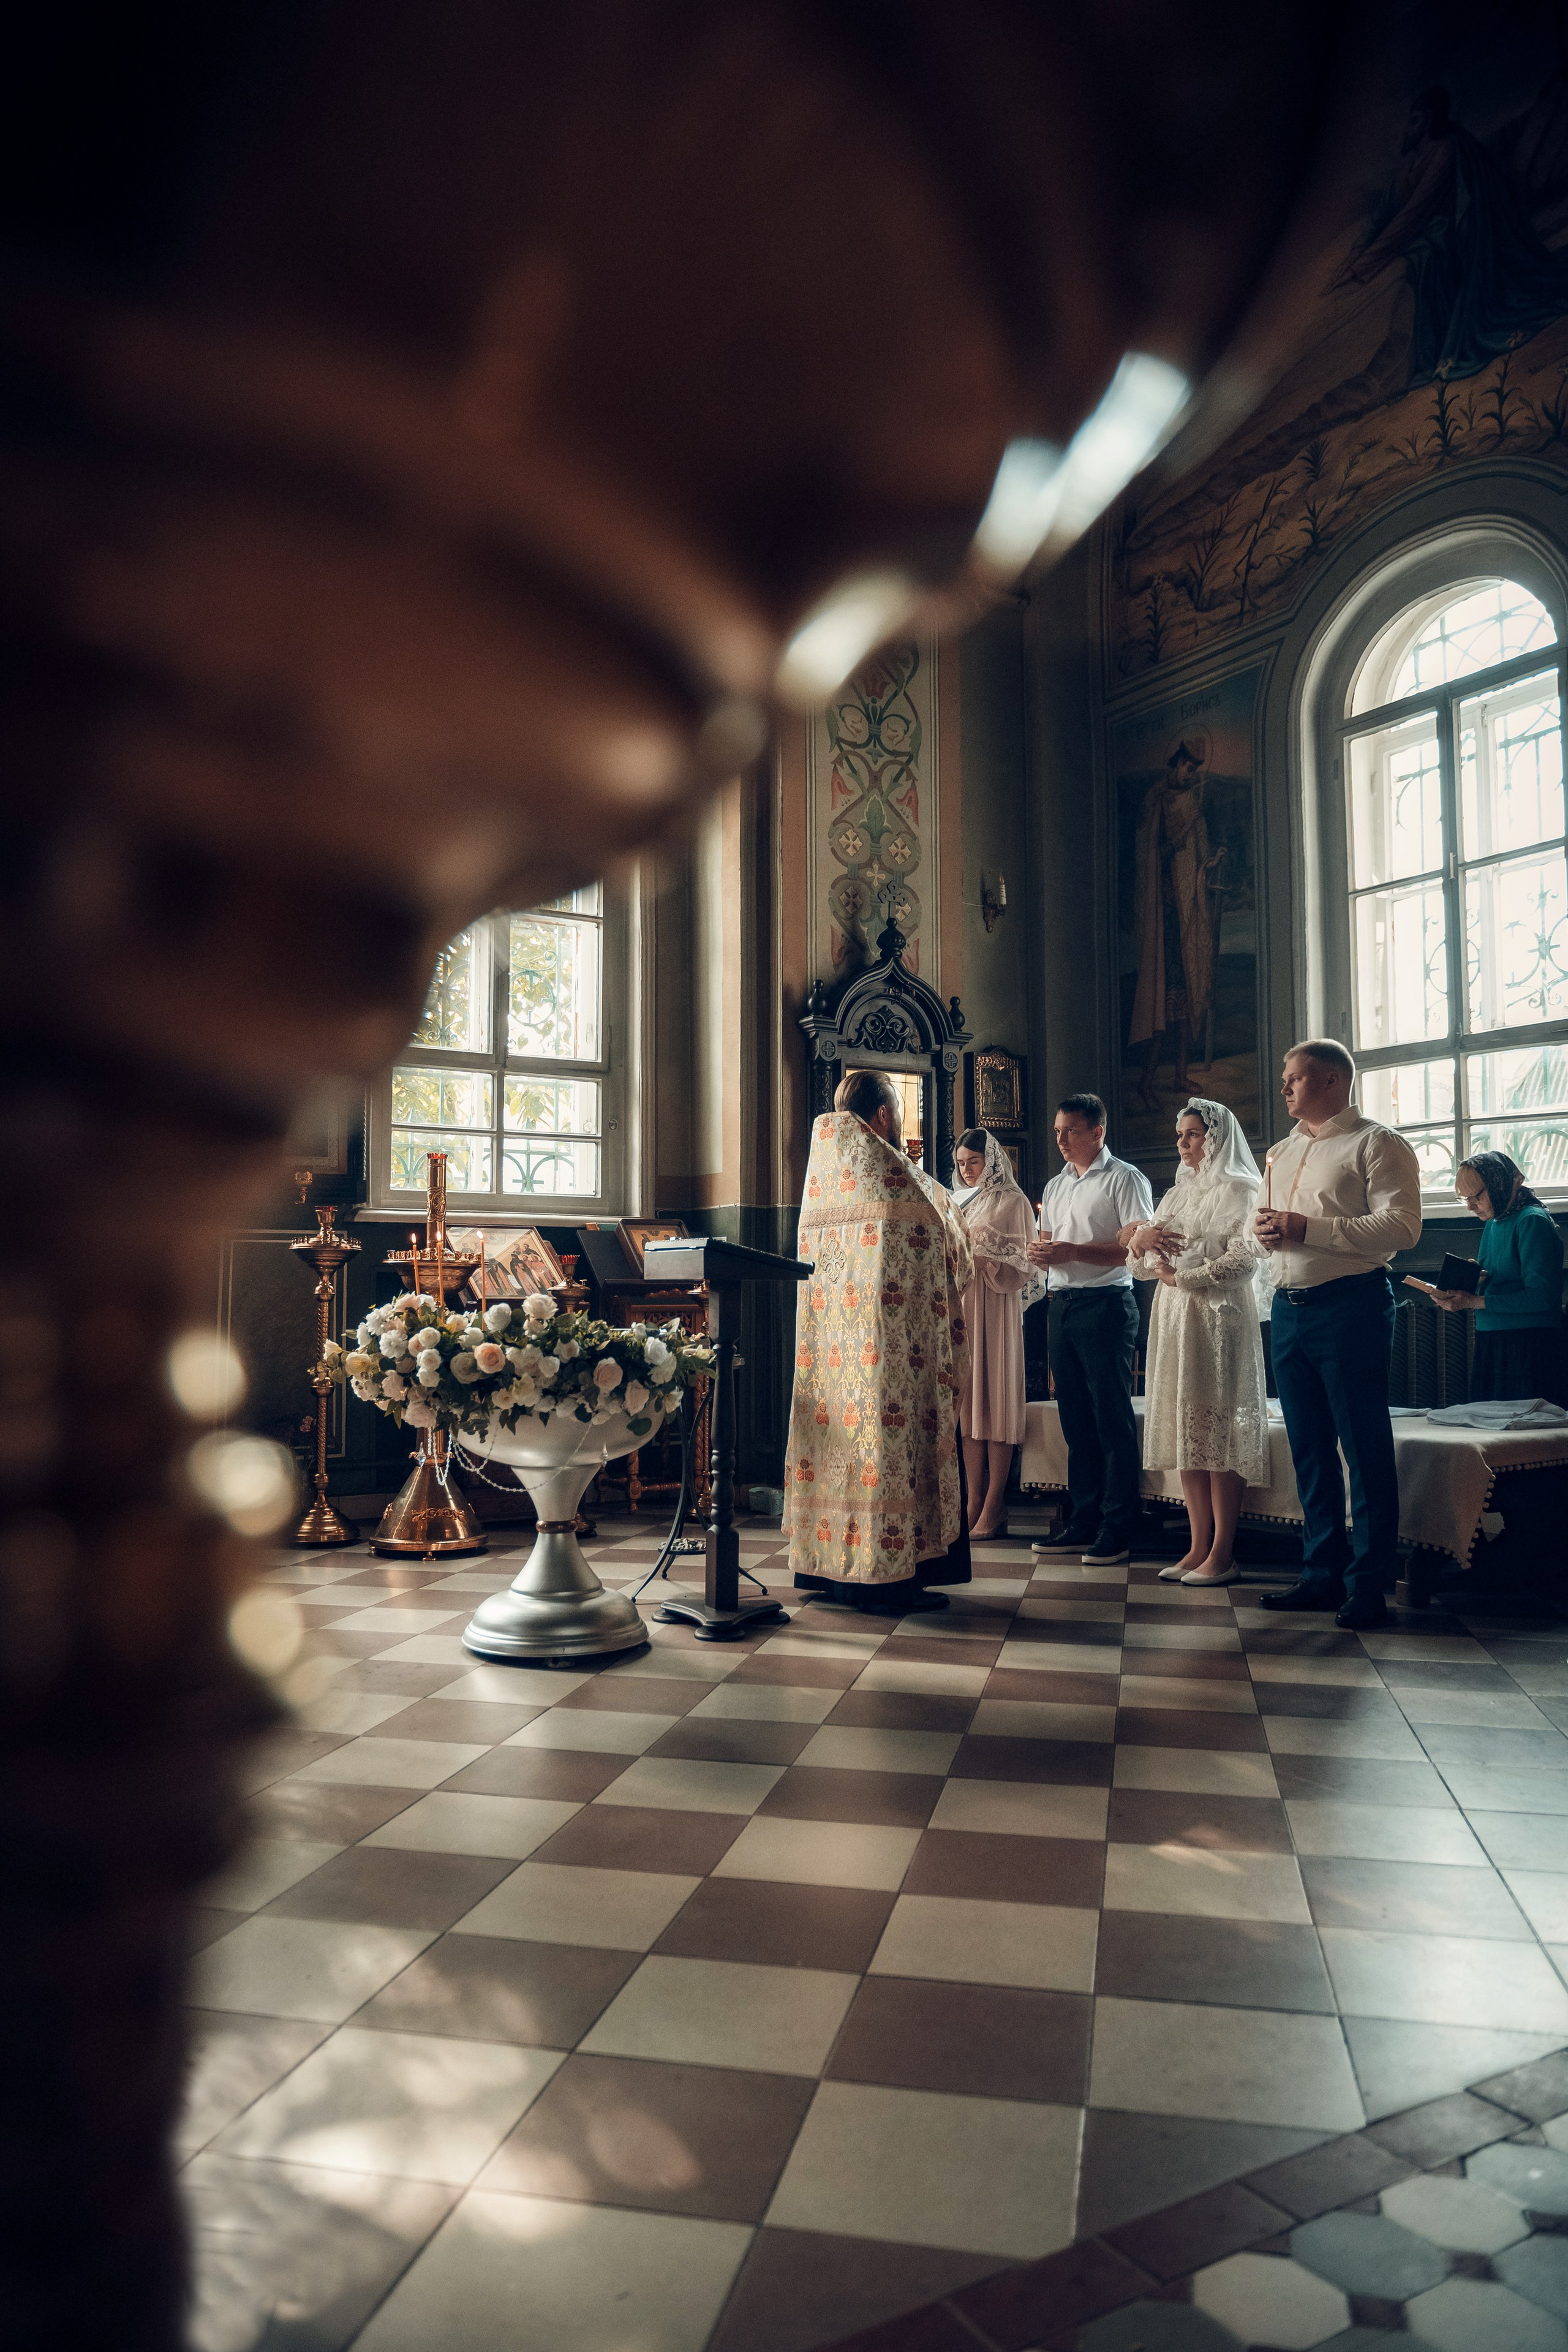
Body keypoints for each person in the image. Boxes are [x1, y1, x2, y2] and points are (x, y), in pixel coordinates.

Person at [784, 1069, 973, 1611]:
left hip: (832, 1359)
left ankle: (832, 1573)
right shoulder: (896, 1176)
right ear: (886, 1116)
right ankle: (891, 1581)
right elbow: (949, 1238)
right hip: (892, 1357)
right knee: (893, 1449)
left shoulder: (821, 1176)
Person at [1252, 1039, 1422, 1630]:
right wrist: (1269, 1234)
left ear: (1331, 1082)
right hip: (1290, 1309)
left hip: (1351, 1307)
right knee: (1309, 1448)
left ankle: (1368, 1586)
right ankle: (1320, 1574)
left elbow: (1401, 1227)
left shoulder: (1376, 1143)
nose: (1284, 1089)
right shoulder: (1281, 1151)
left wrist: (1305, 1227)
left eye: (1294, 1079)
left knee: (1363, 1447)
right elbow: (1273, 1229)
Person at [1126, 1098, 1270, 1586]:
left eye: (1192, 1134)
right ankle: (1195, 1545)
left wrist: (1183, 1277)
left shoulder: (1242, 1190)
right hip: (1174, 1319)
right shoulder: (1175, 1194)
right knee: (1189, 1427)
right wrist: (1142, 1247)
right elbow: (1139, 1265)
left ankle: (1224, 1552)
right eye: (1180, 1135)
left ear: (1217, 1138)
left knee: (1219, 1431)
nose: (1183, 1144)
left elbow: (1245, 1263)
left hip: (1218, 1319)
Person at [1028, 1092, 1155, 1566]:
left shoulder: (1125, 1178)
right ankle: (1081, 1520)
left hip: (1106, 1305)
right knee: (1075, 1419)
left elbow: (1134, 1249)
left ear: (1097, 1132)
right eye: (1058, 1130)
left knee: (1111, 1419)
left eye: (1070, 1131)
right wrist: (1041, 1252)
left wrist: (1072, 1252)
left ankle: (1117, 1527)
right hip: (1061, 1304)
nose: (1060, 1139)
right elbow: (1051, 1243)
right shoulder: (1057, 1184)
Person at [951, 1127, 1045, 1539]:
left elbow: (1025, 1263)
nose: (967, 1170)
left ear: (991, 1159)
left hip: (996, 1306)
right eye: (960, 1163)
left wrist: (986, 1257)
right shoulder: (958, 1202)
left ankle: (995, 1503)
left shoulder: (1014, 1201)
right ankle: (973, 1501)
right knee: (970, 1409)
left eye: (974, 1161)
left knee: (996, 1406)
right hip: (963, 1307)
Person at [1431, 1152, 1566, 1404]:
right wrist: (1475, 1278)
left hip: (1528, 1344)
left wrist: (1473, 1302)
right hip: (1493, 1339)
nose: (1470, 1206)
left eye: (1476, 1197)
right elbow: (1504, 1277)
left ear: (1499, 1185)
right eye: (1465, 1199)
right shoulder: (1496, 1219)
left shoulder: (1532, 1222)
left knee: (1524, 1436)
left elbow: (1542, 1298)